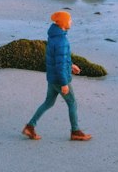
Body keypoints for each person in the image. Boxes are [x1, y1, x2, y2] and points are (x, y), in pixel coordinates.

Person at [22, 9, 92, 141]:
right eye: (69, 20)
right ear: (63, 23)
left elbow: (59, 58)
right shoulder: (61, 41)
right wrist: (64, 83)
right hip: (60, 79)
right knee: (72, 103)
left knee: (48, 103)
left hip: (52, 78)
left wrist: (71, 65)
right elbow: (59, 65)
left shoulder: (54, 37)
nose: (72, 21)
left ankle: (30, 126)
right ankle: (75, 131)